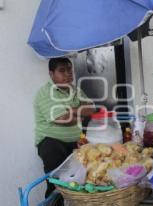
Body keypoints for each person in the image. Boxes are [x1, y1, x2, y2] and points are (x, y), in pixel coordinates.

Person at [34, 58, 95, 198]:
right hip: (52, 144)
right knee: (57, 184)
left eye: (70, 70)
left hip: (75, 143)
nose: (68, 74)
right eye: (62, 71)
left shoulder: (75, 90)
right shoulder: (45, 93)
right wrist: (79, 114)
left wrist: (72, 109)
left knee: (82, 180)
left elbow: (91, 109)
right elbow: (63, 119)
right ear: (51, 74)